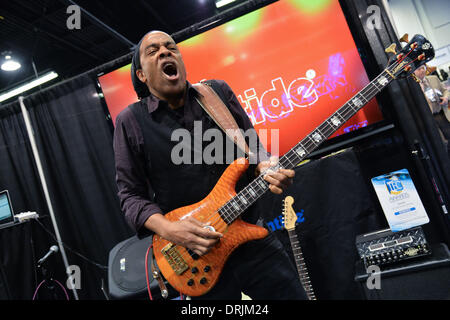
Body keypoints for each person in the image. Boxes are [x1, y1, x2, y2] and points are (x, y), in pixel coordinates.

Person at [113, 30, 307, 300]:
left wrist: (266, 167)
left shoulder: (216, 93)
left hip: (253, 242)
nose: (165, 52)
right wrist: (171, 230)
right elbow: (130, 196)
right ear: (142, 76)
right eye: (153, 51)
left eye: (171, 47)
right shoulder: (130, 121)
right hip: (197, 256)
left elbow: (254, 149)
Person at [414, 65, 450, 154]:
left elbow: (445, 90)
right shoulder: (413, 86)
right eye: (419, 69)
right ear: (413, 72)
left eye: (423, 68)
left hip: (442, 113)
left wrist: (446, 98)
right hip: (429, 118)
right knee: (442, 143)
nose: (422, 70)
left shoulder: (433, 78)